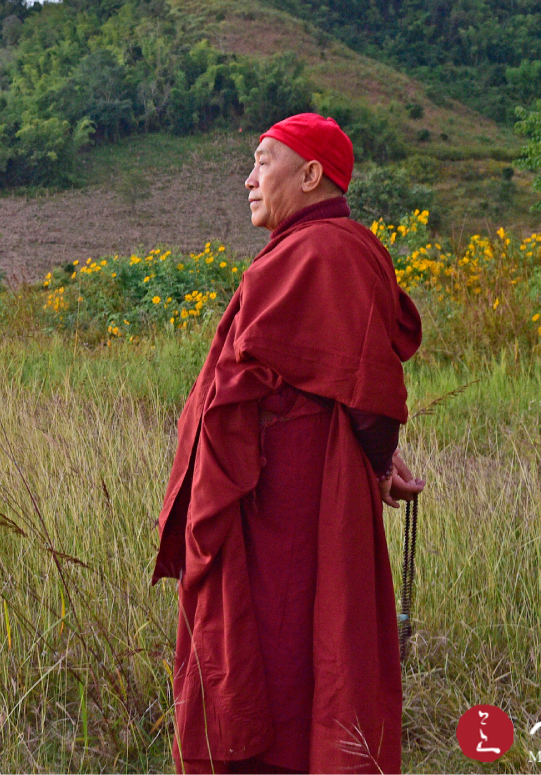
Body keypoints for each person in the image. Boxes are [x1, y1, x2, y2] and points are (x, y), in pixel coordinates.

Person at [151, 113, 426, 775]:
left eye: (263, 162)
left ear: (310, 175)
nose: (248, 180)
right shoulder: (310, 247)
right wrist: (378, 453)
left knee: (291, 637)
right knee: (275, 642)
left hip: (295, 495)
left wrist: (379, 455)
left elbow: (364, 386)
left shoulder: (332, 249)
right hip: (273, 485)